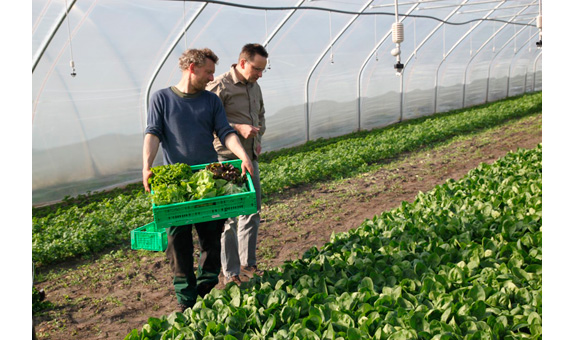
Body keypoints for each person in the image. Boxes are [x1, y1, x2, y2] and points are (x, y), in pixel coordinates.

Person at [142, 48, 254, 312]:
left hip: (208, 182)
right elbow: (153, 133)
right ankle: (185, 300)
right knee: (177, 246)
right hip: (177, 187)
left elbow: (225, 132)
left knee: (212, 242)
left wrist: (242, 156)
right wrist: (146, 166)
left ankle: (204, 291)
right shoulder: (161, 99)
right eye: (208, 72)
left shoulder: (211, 101)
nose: (211, 77)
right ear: (192, 68)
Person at [206, 43, 268, 285]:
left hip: (250, 158)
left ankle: (247, 264)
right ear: (242, 63)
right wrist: (237, 127)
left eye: (263, 70)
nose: (260, 74)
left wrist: (258, 140)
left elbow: (260, 115)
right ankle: (231, 273)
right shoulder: (219, 86)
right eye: (257, 68)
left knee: (252, 210)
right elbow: (208, 120)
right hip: (226, 158)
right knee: (229, 217)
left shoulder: (255, 87)